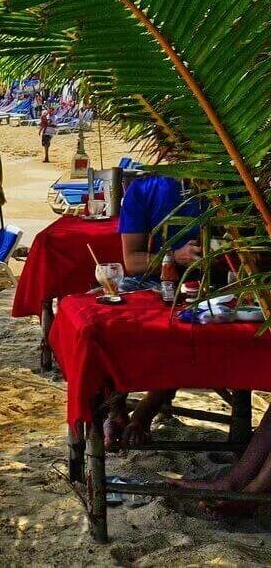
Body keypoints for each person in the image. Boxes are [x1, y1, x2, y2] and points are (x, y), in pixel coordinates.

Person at [106, 174, 203, 446]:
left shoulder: (228, 186)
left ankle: (146, 411)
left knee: (183, 338)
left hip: (205, 284)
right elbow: (132, 261)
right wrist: (174, 255)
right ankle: (115, 409)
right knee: (112, 332)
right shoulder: (145, 188)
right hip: (148, 280)